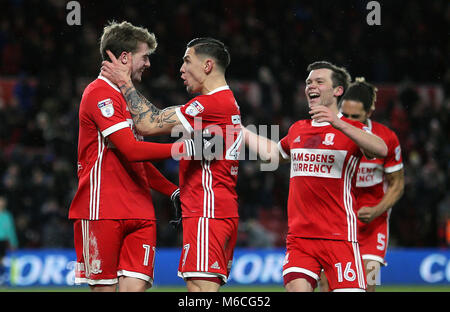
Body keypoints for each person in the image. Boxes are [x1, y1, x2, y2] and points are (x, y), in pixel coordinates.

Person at [101, 37, 242, 292]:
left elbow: (148, 123)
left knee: (200, 290)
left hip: (207, 211)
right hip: (217, 209)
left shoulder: (209, 104)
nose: (181, 69)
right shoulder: (226, 103)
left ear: (207, 65)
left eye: (187, 61)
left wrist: (124, 82)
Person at [69, 21, 196, 292]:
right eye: (145, 56)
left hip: (140, 210)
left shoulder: (128, 98)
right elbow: (131, 149)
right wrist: (183, 149)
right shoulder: (98, 93)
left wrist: (172, 191)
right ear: (125, 57)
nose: (148, 64)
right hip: (102, 209)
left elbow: (136, 160)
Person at [242, 61, 388, 292]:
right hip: (300, 239)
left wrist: (338, 123)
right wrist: (241, 131)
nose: (311, 85)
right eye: (309, 81)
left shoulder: (350, 128)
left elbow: (380, 149)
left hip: (339, 237)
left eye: (320, 81)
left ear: (338, 90)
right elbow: (275, 154)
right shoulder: (299, 128)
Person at [318, 78, 404, 292]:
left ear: (369, 113)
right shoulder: (328, 134)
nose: (347, 120)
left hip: (372, 226)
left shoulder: (386, 139)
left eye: (355, 117)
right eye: (344, 115)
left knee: (369, 285)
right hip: (336, 223)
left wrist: (376, 211)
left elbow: (397, 185)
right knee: (326, 286)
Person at [0, 195, 18, 285]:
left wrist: (13, 242)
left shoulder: (7, 215)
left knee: (4, 260)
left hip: (3, 240)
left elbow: (10, 229)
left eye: (2, 201)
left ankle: (4, 278)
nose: (1, 203)